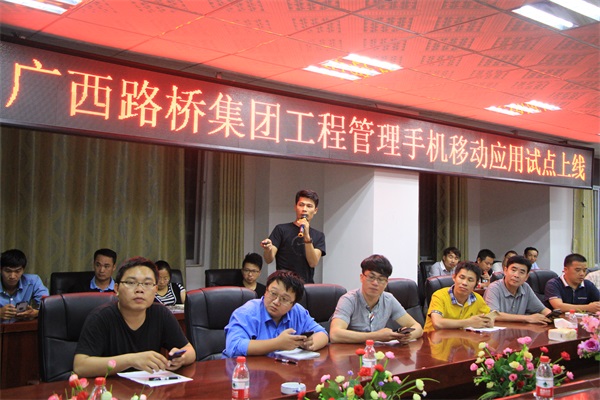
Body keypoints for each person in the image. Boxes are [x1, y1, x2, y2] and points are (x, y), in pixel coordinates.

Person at [73, 257, 195, 377]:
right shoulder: (101, 317)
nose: (139, 290)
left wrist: (182, 359)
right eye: (131, 283)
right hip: (111, 386)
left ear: (155, 290)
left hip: (148, 386)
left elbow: (190, 351)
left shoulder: (161, 314)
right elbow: (80, 366)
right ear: (117, 289)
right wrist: (131, 360)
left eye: (147, 284)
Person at [223, 270, 328, 358]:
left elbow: (322, 333)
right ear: (266, 291)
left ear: (293, 304)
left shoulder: (297, 312)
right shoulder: (247, 312)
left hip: (283, 370)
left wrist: (310, 344)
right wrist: (277, 343)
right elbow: (234, 346)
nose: (276, 302)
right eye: (273, 294)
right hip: (245, 372)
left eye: (284, 299)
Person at [330, 254, 423, 343]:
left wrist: (406, 336)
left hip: (377, 352)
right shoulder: (349, 300)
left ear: (386, 283)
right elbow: (335, 335)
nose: (375, 283)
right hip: (350, 352)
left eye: (381, 279)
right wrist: (376, 336)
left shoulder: (389, 300)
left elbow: (417, 327)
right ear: (361, 277)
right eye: (371, 277)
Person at [261, 189, 326, 284]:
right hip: (283, 284)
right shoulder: (281, 229)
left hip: (306, 286)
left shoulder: (319, 235)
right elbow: (268, 259)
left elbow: (313, 262)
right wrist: (268, 249)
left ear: (315, 210)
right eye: (301, 205)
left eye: (309, 206)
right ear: (295, 207)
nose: (304, 209)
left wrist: (307, 235)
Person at [424, 261, 492, 332]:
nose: (464, 283)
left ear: (476, 283)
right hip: (434, 337)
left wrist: (488, 321)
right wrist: (469, 322)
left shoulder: (478, 299)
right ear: (454, 277)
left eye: (470, 280)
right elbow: (438, 323)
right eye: (462, 278)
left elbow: (489, 317)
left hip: (463, 337)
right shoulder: (439, 295)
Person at [484, 256, 552, 324]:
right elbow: (493, 315)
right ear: (505, 271)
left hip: (519, 329)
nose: (516, 275)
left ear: (526, 277)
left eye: (521, 272)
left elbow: (542, 310)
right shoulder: (493, 288)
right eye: (513, 270)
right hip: (499, 329)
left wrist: (553, 316)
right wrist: (528, 318)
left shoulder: (525, 287)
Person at [0, 249, 49, 320]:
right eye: (8, 271)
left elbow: (48, 305)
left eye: (17, 271)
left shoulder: (33, 281)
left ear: (23, 270)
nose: (12, 276)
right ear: (0, 269)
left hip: (22, 325)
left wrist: (35, 313)